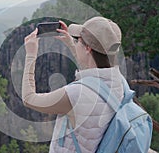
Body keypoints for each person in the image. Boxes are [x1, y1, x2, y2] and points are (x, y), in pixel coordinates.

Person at [22, 16, 124, 153]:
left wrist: (30, 54)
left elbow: (29, 99)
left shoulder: (76, 94)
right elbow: (93, 74)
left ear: (88, 48)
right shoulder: (118, 81)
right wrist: (71, 44)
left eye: (78, 41)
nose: (75, 43)